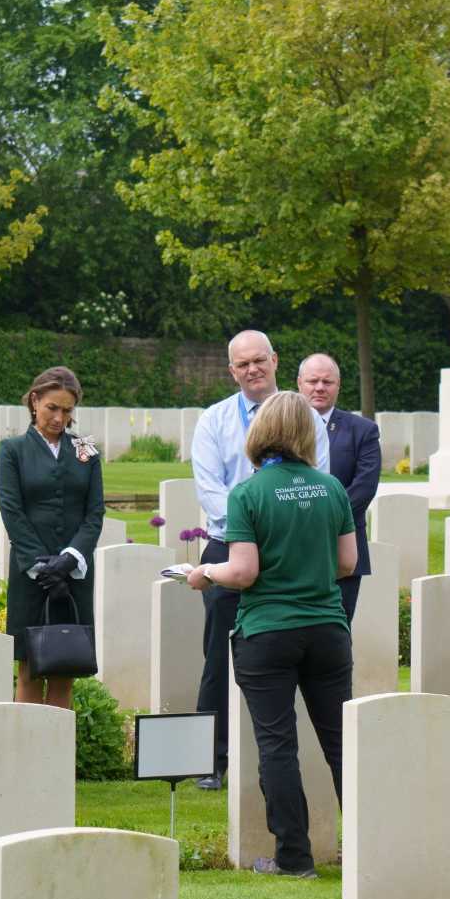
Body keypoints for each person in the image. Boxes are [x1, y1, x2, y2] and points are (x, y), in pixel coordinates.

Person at [188, 392, 356, 877]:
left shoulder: (249, 494)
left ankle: (294, 858)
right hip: (327, 629)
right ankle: (368, 845)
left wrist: (204, 575)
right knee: (341, 745)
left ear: (258, 435)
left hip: (269, 633)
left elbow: (242, 572)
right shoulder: (331, 489)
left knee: (277, 745)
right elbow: (346, 563)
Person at [189, 330, 330, 791]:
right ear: (232, 371)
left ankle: (295, 759)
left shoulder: (308, 418)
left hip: (291, 551)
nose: (252, 369)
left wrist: (271, 521)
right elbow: (211, 491)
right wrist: (256, 522)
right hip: (229, 548)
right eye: (242, 364)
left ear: (274, 360)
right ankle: (213, 758)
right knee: (217, 655)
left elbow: (319, 476)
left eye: (259, 361)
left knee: (291, 652)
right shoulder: (214, 421)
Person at [0, 366, 106, 707]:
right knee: (30, 669)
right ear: (34, 401)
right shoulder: (12, 450)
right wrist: (42, 566)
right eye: (52, 408)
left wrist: (71, 558)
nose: (59, 418)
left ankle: (56, 757)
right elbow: (12, 511)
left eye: (67, 411)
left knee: (64, 668)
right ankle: (24, 756)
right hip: (32, 575)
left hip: (74, 574)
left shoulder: (85, 450)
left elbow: (94, 512)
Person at [295, 353, 380, 620]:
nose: (319, 387)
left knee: (338, 631)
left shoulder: (363, 431)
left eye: (327, 381)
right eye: (312, 381)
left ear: (338, 385)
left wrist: (320, 519)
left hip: (343, 545)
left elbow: (363, 488)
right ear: (299, 383)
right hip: (292, 546)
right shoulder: (285, 426)